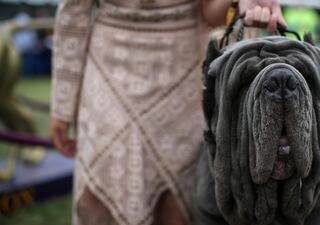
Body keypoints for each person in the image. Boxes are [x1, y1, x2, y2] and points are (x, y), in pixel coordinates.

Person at [49, 0, 286, 225]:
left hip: (182, 78)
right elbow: (73, 13)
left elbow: (210, 12)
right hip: (106, 74)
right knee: (100, 196)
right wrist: (62, 105)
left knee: (176, 208)